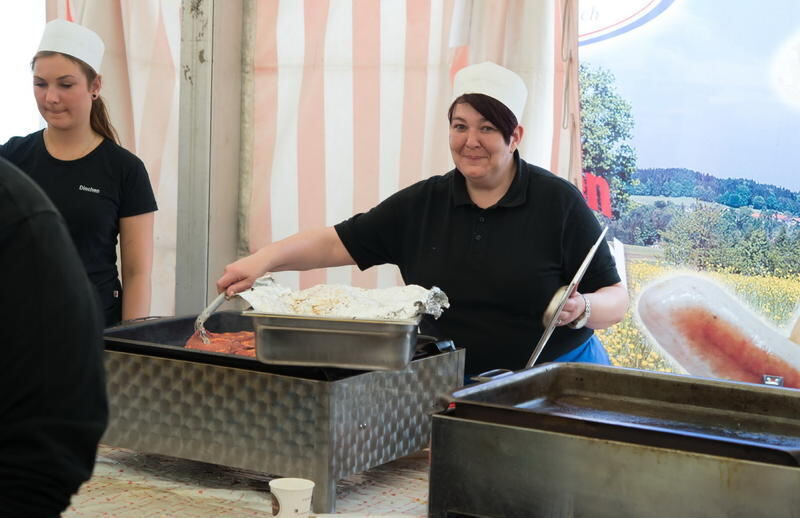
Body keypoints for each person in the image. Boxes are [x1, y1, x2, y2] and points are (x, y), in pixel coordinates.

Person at [217, 61, 629, 377]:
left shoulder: (557, 201)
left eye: (487, 128)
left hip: (555, 377)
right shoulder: (424, 203)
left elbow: (616, 298)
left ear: (515, 136)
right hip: (454, 382)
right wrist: (263, 260)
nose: (470, 141)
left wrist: (585, 306)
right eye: (460, 126)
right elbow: (336, 241)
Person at [0, 19, 158, 327]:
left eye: (66, 84)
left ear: (95, 85)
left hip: (94, 332)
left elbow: (138, 274)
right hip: (19, 332)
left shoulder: (125, 170)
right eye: (40, 83)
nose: (51, 98)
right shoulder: (11, 158)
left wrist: (131, 347)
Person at [0, 156, 108, 516]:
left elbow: (53, 436)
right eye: (43, 91)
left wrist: (131, 337)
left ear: (94, 94)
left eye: (64, 91)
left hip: (80, 327)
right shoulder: (17, 152)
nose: (51, 97)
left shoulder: (17, 212)